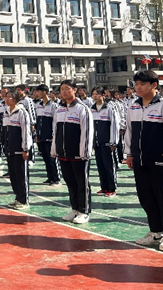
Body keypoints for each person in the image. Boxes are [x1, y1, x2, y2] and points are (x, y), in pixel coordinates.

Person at [125, 70, 163, 251]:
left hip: (159, 160)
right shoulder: (133, 106)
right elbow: (129, 131)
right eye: (136, 84)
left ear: (154, 85)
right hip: (139, 160)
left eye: (142, 84)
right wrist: (129, 154)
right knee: (146, 197)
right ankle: (156, 232)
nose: (138, 88)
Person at [50, 79, 94, 224]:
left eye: (67, 89)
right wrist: (55, 149)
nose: (64, 92)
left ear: (75, 90)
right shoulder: (59, 108)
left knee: (82, 182)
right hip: (64, 153)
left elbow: (87, 132)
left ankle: (84, 211)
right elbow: (55, 131)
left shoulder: (82, 109)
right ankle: (75, 208)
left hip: (78, 154)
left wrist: (84, 152)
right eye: (62, 89)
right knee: (70, 182)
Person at [2, 89, 32, 210]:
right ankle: (18, 198)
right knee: (13, 175)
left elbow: (26, 132)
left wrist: (25, 148)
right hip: (10, 149)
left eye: (9, 97)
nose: (6, 99)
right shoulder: (6, 112)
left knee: (21, 175)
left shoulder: (22, 112)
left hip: (20, 149)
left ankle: (24, 200)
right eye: (6, 96)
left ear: (15, 99)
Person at [91, 86, 120, 197]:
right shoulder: (92, 108)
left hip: (107, 142)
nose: (95, 96)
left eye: (97, 93)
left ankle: (111, 188)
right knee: (100, 165)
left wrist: (113, 142)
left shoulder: (109, 108)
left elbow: (114, 125)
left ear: (104, 95)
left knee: (109, 166)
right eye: (93, 94)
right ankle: (104, 187)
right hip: (97, 143)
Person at [35, 84, 60, 186]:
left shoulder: (53, 106)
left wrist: (54, 135)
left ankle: (56, 178)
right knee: (45, 158)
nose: (37, 94)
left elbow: (55, 121)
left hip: (50, 136)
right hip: (41, 136)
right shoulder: (39, 105)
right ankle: (50, 177)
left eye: (39, 91)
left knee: (52, 158)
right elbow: (38, 121)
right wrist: (37, 134)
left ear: (44, 92)